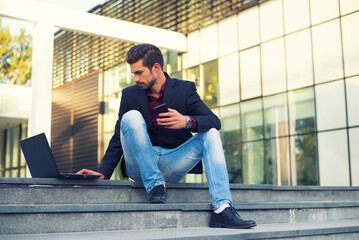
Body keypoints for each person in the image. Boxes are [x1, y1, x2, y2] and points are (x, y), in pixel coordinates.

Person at [78, 43, 256, 229]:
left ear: (156, 67)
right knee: (130, 117)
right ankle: (155, 185)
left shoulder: (185, 89)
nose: (135, 78)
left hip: (173, 162)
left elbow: (214, 121)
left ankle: (222, 209)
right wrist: (103, 173)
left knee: (210, 133)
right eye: (133, 73)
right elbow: (118, 137)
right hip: (140, 165)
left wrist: (187, 121)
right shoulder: (130, 95)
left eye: (139, 72)